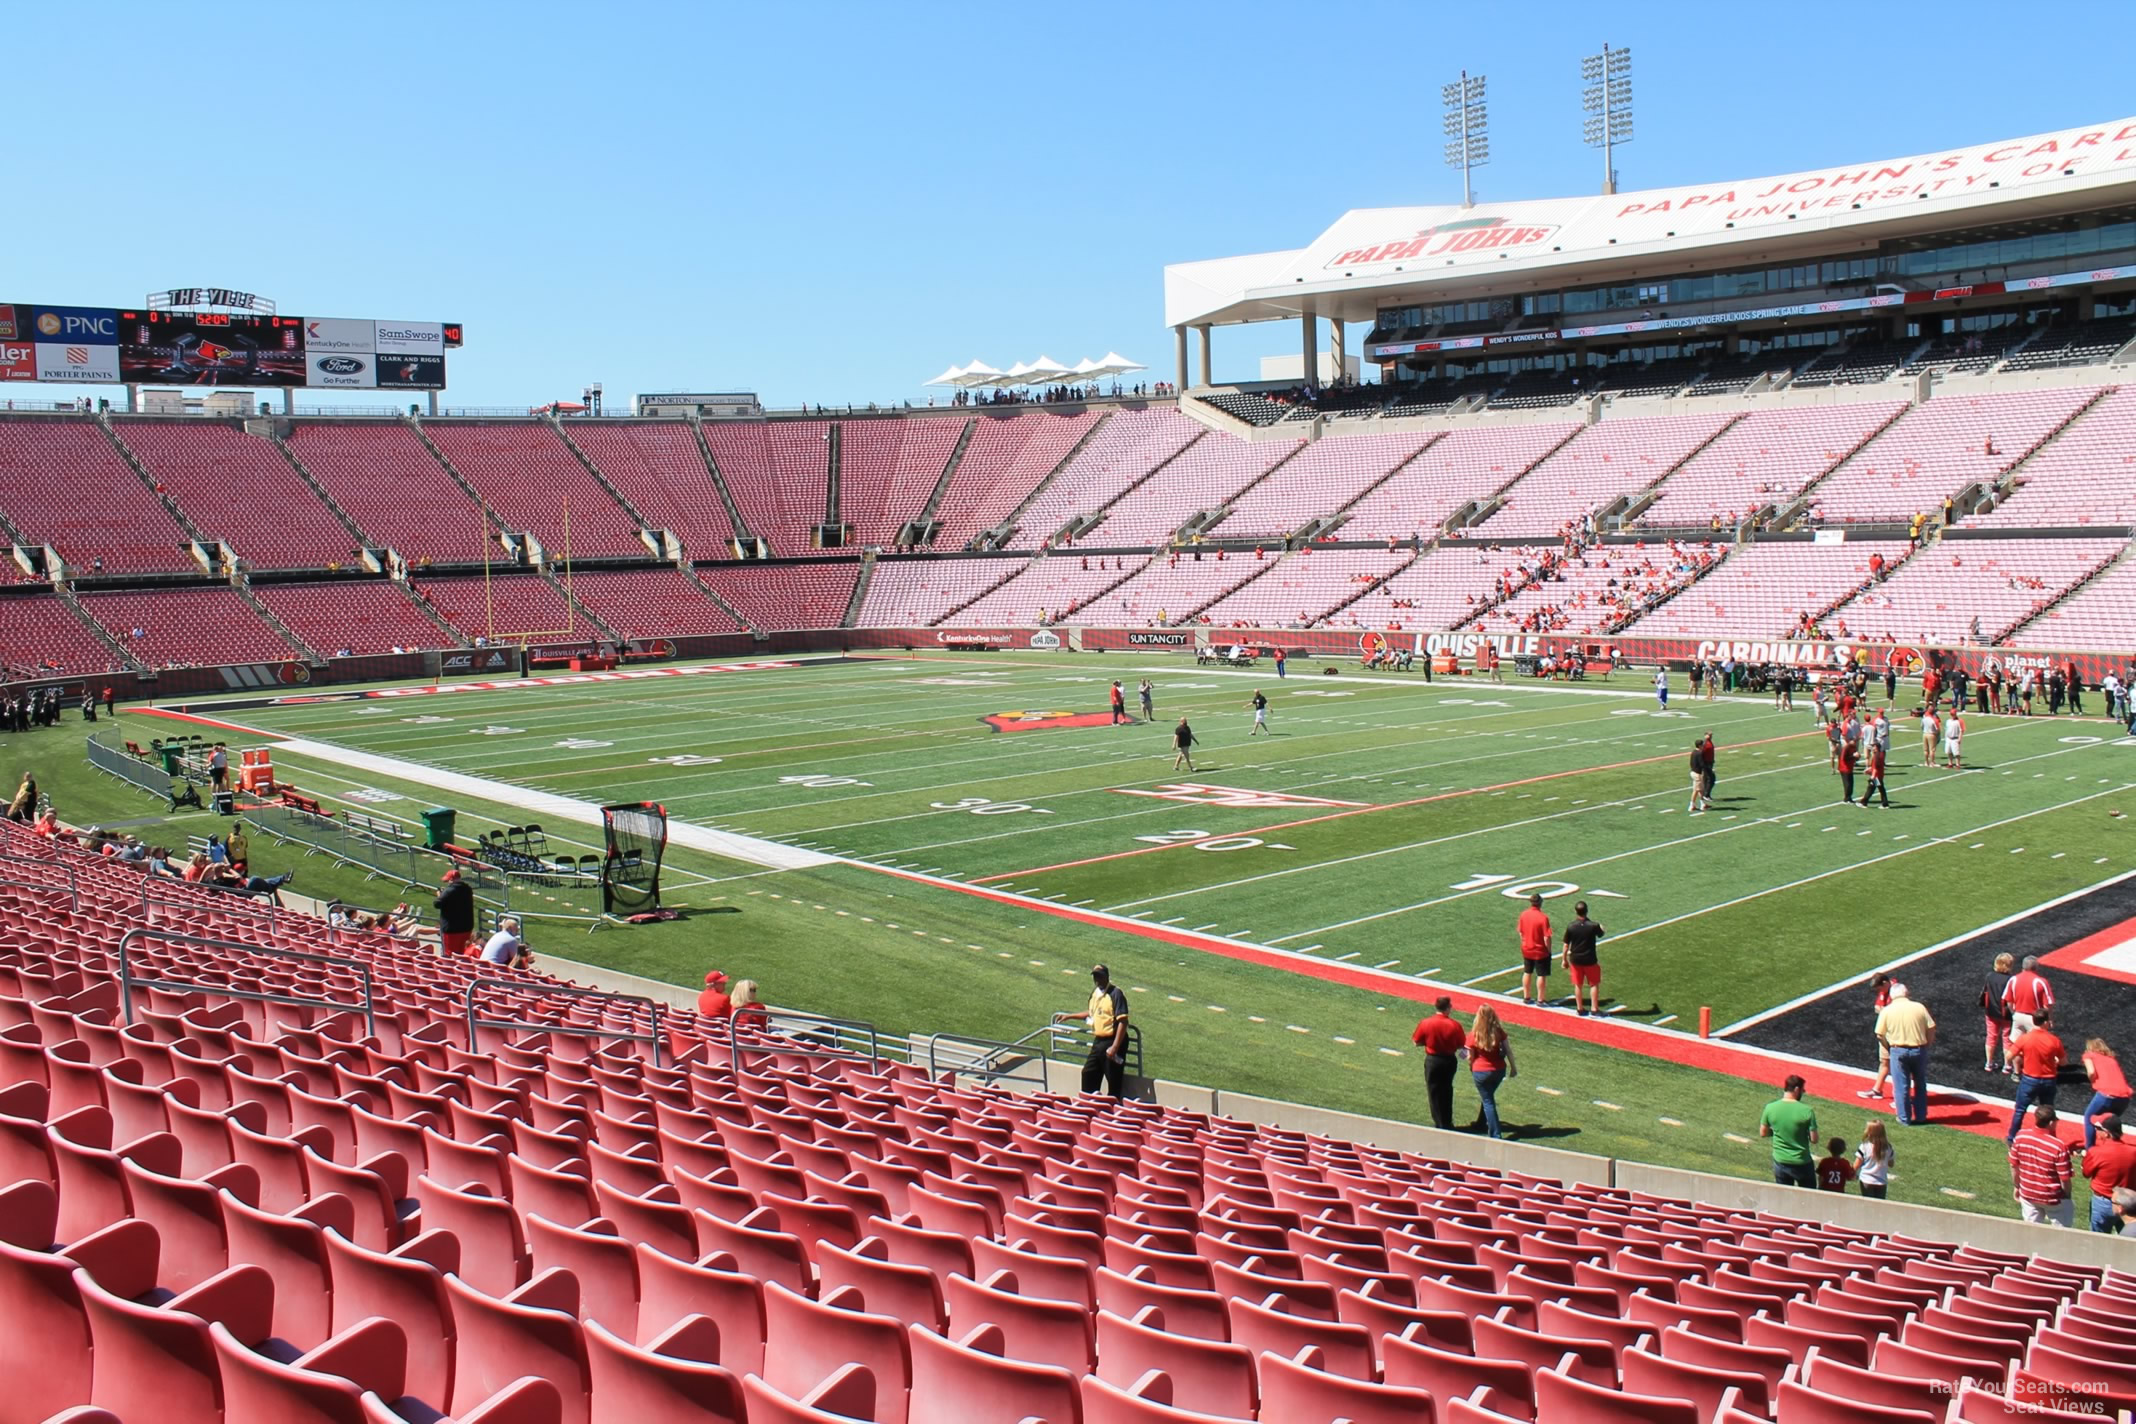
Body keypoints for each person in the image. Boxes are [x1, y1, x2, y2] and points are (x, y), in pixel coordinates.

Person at [1055, 964, 1131, 1098]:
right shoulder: (1095, 994)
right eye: (1095, 976)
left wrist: (1115, 1047)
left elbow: (1123, 1022)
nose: (1097, 979)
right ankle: (1089, 1103)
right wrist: (1070, 1016)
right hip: (1099, 1041)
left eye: (1100, 976)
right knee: (1088, 1073)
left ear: (1107, 977)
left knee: (1113, 1080)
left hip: (1112, 1041)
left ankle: (1112, 1110)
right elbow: (1091, 1013)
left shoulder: (1116, 994)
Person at [1875, 983, 1936, 1126]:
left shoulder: (1887, 1011)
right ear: (1906, 993)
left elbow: (1879, 1034)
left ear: (1892, 996)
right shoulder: (1919, 1007)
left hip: (1898, 1050)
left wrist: (1889, 1047)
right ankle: (1921, 1116)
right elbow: (1931, 1027)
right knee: (1920, 1084)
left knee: (1901, 1086)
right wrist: (1927, 1044)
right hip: (1919, 1049)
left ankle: (1904, 1118)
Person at [2009, 1104, 2076, 1227]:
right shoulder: (2058, 1146)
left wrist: (2017, 1186)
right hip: (2052, 1198)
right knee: (2063, 1234)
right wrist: (2066, 1196)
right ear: (2051, 1123)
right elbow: (2065, 1179)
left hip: (2028, 1194)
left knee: (2031, 1233)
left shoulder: (2021, 1136)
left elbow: (2014, 1166)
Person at [2007, 1009, 2066, 1142]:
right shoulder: (2054, 1040)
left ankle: (2011, 1138)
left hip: (2029, 1080)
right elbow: (2063, 1062)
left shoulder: (2025, 1038)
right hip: (2049, 1080)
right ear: (2045, 1022)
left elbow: (2009, 1056)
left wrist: (2024, 1056)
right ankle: (2051, 1139)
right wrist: (2054, 1061)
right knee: (2049, 1112)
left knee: (2020, 1110)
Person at [1410, 997, 1466, 1132]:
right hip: (1449, 1060)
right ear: (1447, 1008)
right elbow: (1461, 1045)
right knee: (1447, 1090)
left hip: (1433, 1060)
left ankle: (1438, 1122)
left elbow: (1416, 1042)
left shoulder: (1426, 1022)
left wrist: (1429, 1043)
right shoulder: (1455, 1025)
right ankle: (1447, 1121)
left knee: (1433, 1091)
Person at [1759, 1075, 1820, 1187]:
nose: (1803, 1092)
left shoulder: (1770, 1108)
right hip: (1802, 1162)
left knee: (1784, 1198)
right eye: (1802, 1090)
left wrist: (1776, 1132)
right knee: (1808, 1197)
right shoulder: (1807, 1111)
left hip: (1780, 1161)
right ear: (1797, 1089)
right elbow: (1814, 1139)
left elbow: (1763, 1133)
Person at [1466, 1005, 1516, 1140]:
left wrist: (1471, 1066)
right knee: (1488, 1096)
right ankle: (1480, 1123)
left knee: (1488, 1101)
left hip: (1480, 1071)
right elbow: (1508, 1051)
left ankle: (1495, 1134)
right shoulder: (1499, 1032)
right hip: (1499, 1071)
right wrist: (1513, 1068)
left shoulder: (1474, 1034)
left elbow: (1469, 1056)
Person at [2083, 1117, 2135, 1233]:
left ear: (2107, 1133)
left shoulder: (2096, 1152)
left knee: (2098, 1241)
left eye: (2098, 1128)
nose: (2095, 1131)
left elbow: (2086, 1173)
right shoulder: (2133, 1152)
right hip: (2129, 1202)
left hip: (2103, 1203)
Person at [2082, 1039, 2132, 1148]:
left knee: (2089, 1118)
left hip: (2106, 1095)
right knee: (2110, 1123)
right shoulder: (2111, 1059)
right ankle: (2116, 1148)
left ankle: (2089, 1149)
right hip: (2124, 1097)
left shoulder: (2089, 1055)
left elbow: (2091, 1072)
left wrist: (2092, 1081)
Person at [1561, 900, 1604, 1017]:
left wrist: (1564, 959)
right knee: (1594, 984)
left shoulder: (1571, 926)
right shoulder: (1593, 925)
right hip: (1590, 959)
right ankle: (1594, 1009)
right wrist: (1602, 928)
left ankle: (1580, 1008)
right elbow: (1601, 933)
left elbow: (1566, 944)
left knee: (1578, 984)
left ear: (1576, 912)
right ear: (1586, 911)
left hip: (1575, 959)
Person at [2003, 955, 2054, 1051]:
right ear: (2036, 967)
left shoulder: (2013, 979)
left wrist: (2014, 1014)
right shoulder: (2041, 982)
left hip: (2018, 1016)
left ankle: (2015, 1066)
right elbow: (2047, 1005)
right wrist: (2048, 1019)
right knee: (2036, 1047)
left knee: (2016, 1046)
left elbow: (2009, 1002)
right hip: (2035, 1019)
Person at [1982, 951, 2017, 1074]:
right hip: (2006, 1013)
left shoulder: (1989, 976)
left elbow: (1985, 992)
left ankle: (1989, 1063)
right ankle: (2007, 1066)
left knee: (1991, 1036)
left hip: (1991, 1011)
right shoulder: (2012, 979)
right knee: (2007, 1038)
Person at [1860, 973, 1893, 1101]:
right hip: (1885, 1033)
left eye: (1880, 988)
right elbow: (1877, 1008)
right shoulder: (1885, 990)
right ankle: (1877, 1090)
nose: (1879, 992)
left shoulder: (1896, 990)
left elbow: (1886, 1011)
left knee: (1901, 1065)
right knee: (1884, 1061)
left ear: (1885, 983)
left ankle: (1904, 1097)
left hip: (1895, 1034)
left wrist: (1883, 1011)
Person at [1516, 894, 1553, 1008]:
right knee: (1541, 975)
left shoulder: (1524, 914)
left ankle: (1526, 996)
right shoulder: (1543, 918)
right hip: (1540, 950)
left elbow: (1521, 932)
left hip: (1527, 948)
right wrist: (1549, 950)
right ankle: (1540, 999)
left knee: (1527, 972)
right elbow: (1547, 937)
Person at [435, 867, 477, 958]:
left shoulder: (449, 891)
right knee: (463, 953)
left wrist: (440, 895)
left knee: (450, 955)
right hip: (466, 927)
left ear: (451, 880)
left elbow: (437, 904)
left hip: (451, 929)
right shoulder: (468, 889)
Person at [1855, 1120, 1895, 1199]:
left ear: (1870, 1133)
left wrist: (1851, 1173)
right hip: (1881, 1182)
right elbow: (1891, 1164)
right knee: (1879, 1207)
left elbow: (1856, 1165)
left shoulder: (1864, 1146)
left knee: (1868, 1205)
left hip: (1866, 1180)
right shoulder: (1888, 1147)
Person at [1686, 740, 1709, 814]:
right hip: (1697, 774)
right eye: (1702, 745)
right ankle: (1694, 805)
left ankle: (1700, 804)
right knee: (1699, 790)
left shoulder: (1693, 752)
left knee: (1697, 789)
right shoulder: (1699, 753)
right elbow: (1702, 764)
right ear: (1699, 746)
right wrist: (1707, 770)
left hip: (1693, 772)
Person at [1699, 731, 1718, 806]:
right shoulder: (1705, 743)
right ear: (1705, 735)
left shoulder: (1709, 742)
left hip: (1709, 762)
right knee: (1711, 779)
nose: (1710, 736)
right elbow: (1702, 754)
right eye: (1708, 735)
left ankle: (1704, 794)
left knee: (1707, 779)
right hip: (1706, 763)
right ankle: (1706, 795)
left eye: (1711, 735)